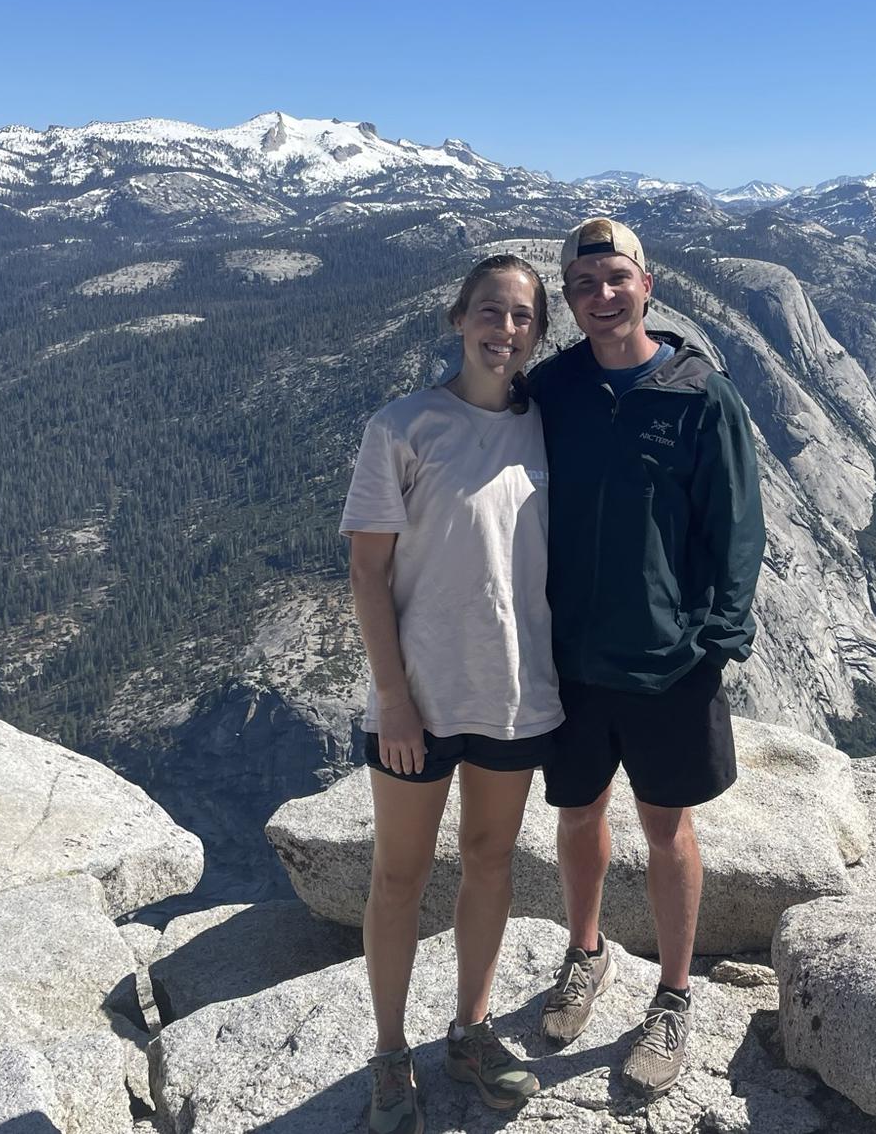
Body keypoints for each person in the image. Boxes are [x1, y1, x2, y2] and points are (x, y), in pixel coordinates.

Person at [525, 217, 765, 1098]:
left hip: (670, 660)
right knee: (579, 815)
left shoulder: (700, 393)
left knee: (668, 830)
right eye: (583, 285)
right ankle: (584, 954)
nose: (602, 295)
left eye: (615, 278)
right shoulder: (550, 389)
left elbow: (738, 529)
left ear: (647, 283)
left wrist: (719, 645)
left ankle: (672, 994)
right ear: (569, 300)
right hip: (575, 659)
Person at [341, 254, 563, 1131]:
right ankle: (390, 1056)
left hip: (514, 691)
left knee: (492, 863)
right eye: (489, 311)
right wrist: (392, 700)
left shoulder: (548, 428)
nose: (503, 330)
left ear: (539, 335)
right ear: (456, 317)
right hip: (420, 699)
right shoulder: (400, 428)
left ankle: (469, 1031)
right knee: (397, 878)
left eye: (521, 318)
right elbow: (366, 571)